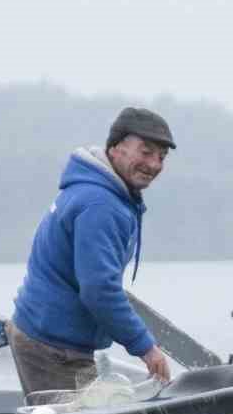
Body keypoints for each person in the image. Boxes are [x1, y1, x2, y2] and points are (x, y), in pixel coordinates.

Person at [9, 107, 176, 397]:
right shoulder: (101, 205)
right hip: (52, 346)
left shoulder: (96, 191)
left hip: (48, 334)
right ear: (115, 148)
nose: (154, 164)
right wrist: (146, 349)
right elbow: (99, 290)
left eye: (161, 157)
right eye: (146, 152)